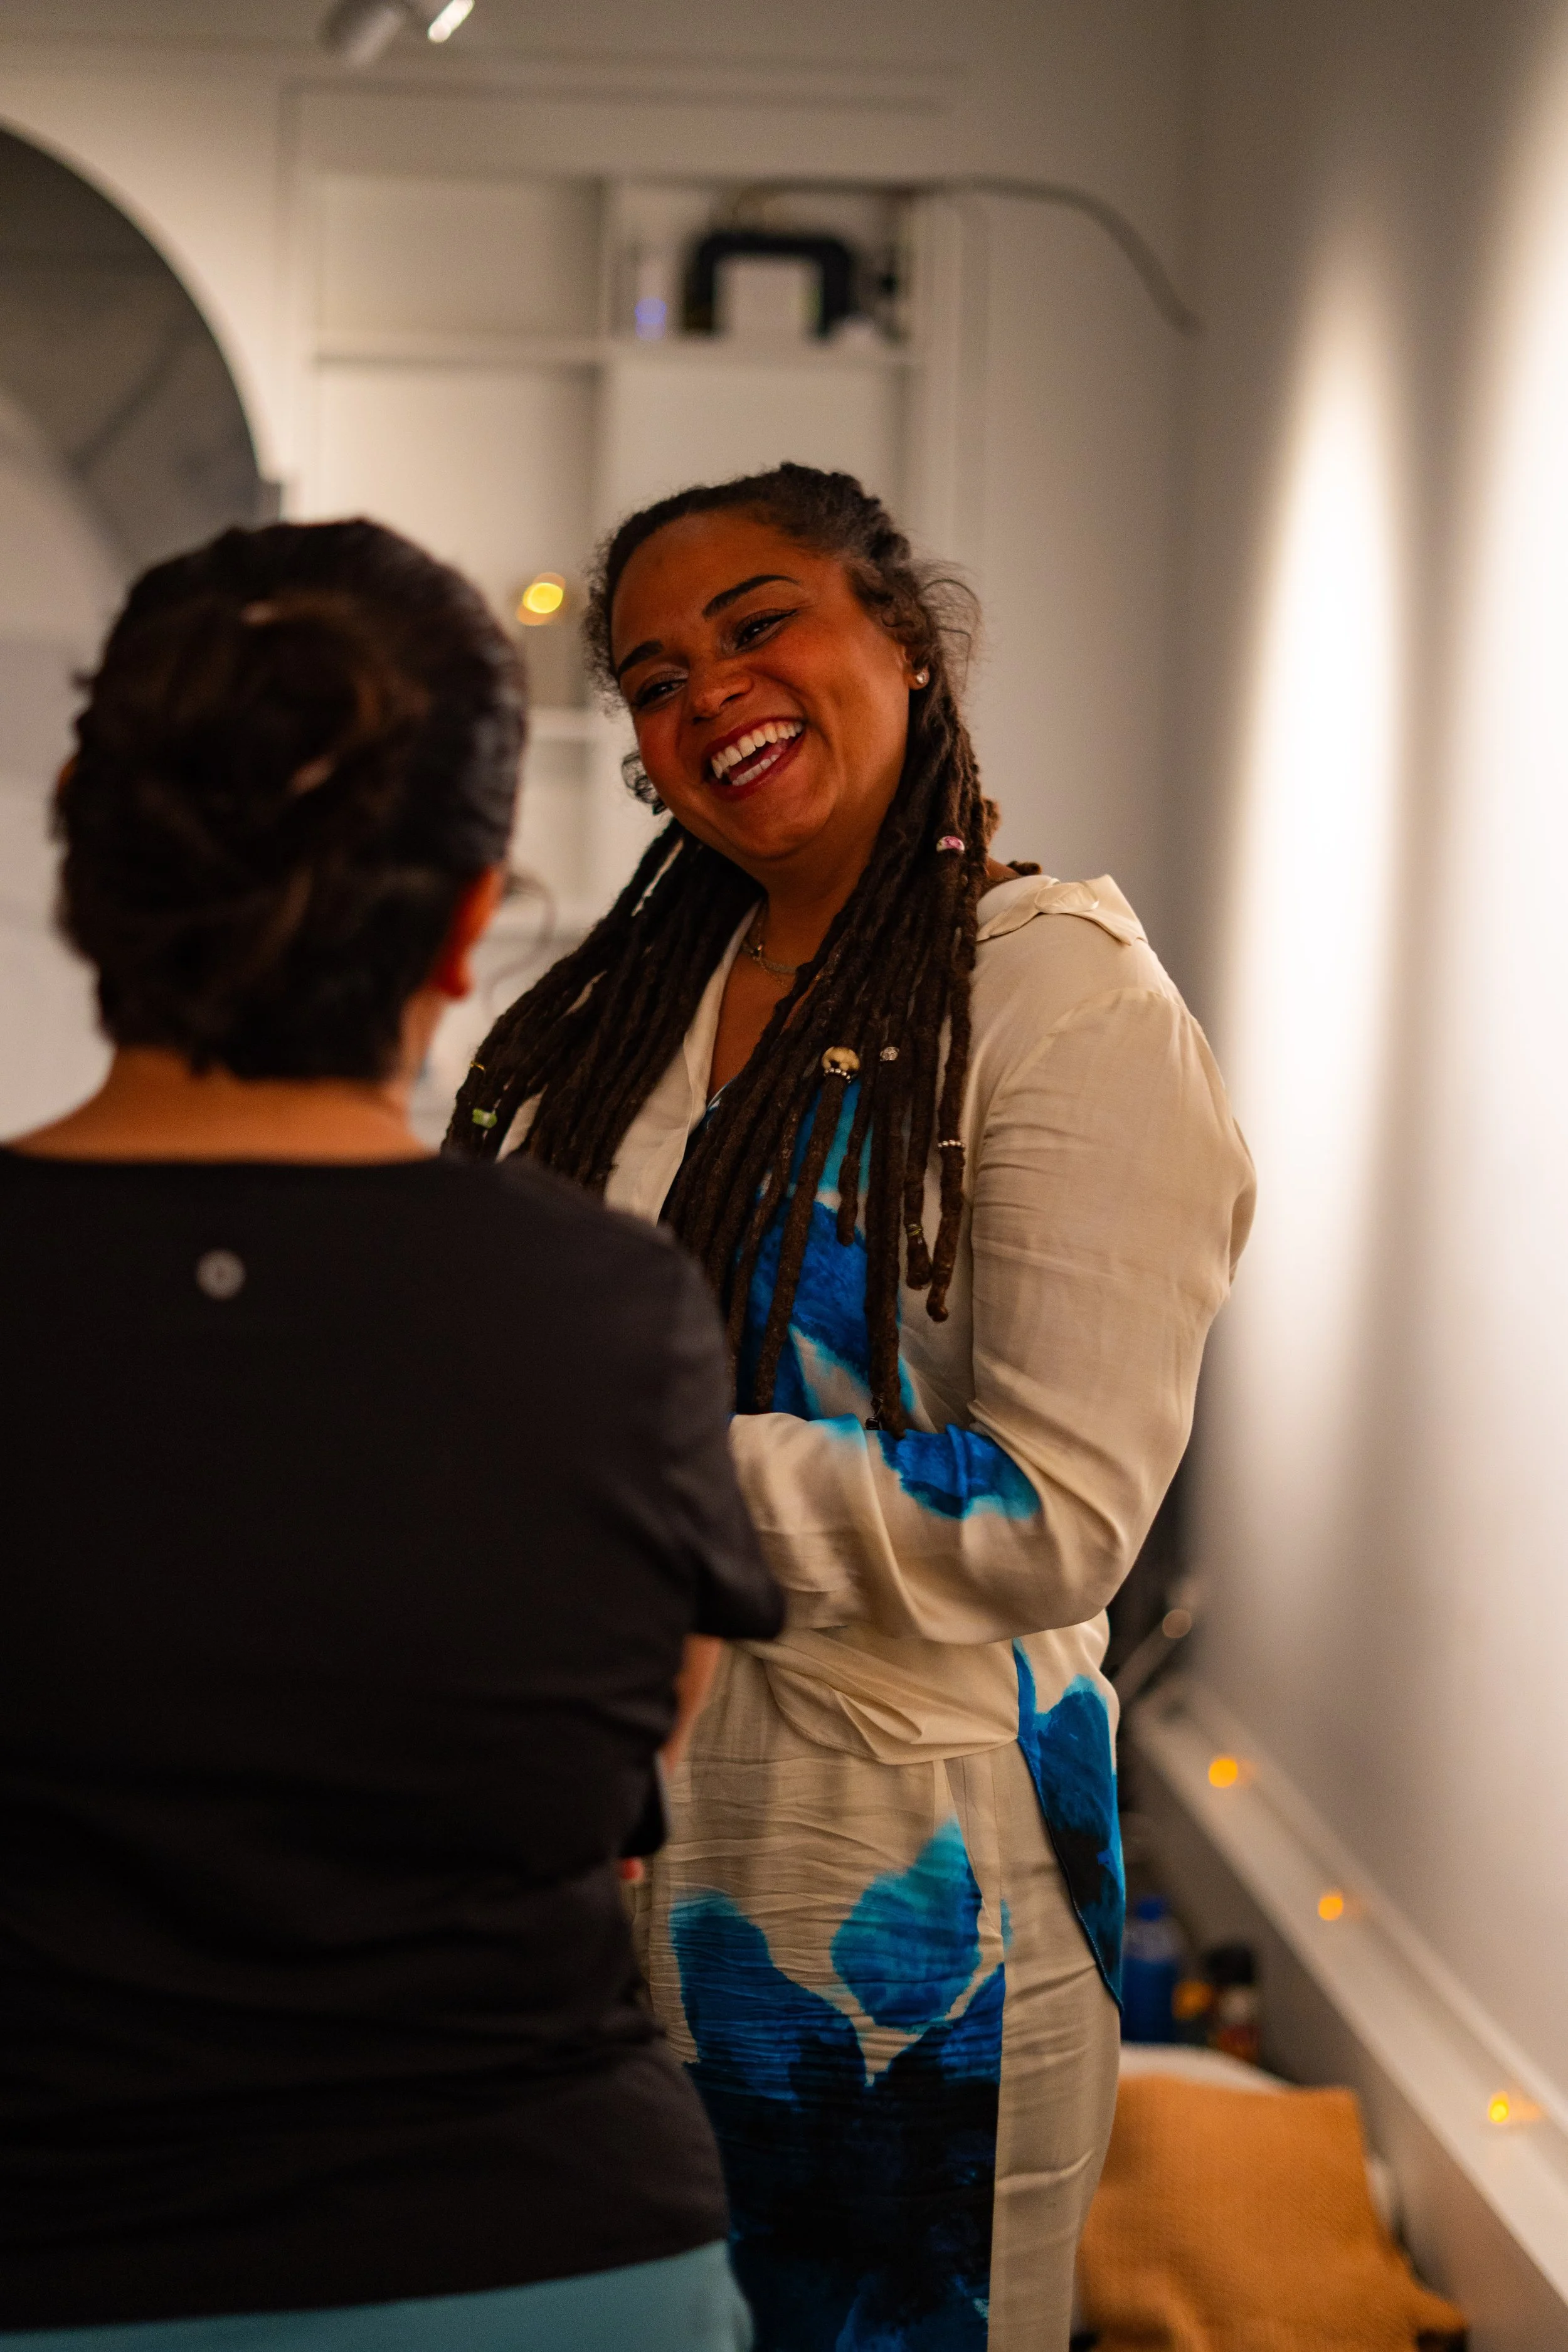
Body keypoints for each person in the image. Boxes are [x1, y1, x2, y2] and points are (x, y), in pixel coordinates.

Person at [451, 464, 1256, 2352]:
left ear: (904, 634)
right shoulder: (633, 1003)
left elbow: (1055, 1514)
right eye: (652, 676)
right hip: (601, 1852)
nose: (705, 692)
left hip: (905, 1898)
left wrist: (628, 1478)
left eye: (757, 625)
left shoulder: (1057, 1002)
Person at [0, 519, 782, 2349]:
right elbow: (612, 1778)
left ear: (85, 875)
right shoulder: (616, 1314)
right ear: (459, 919)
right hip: (553, 2264)